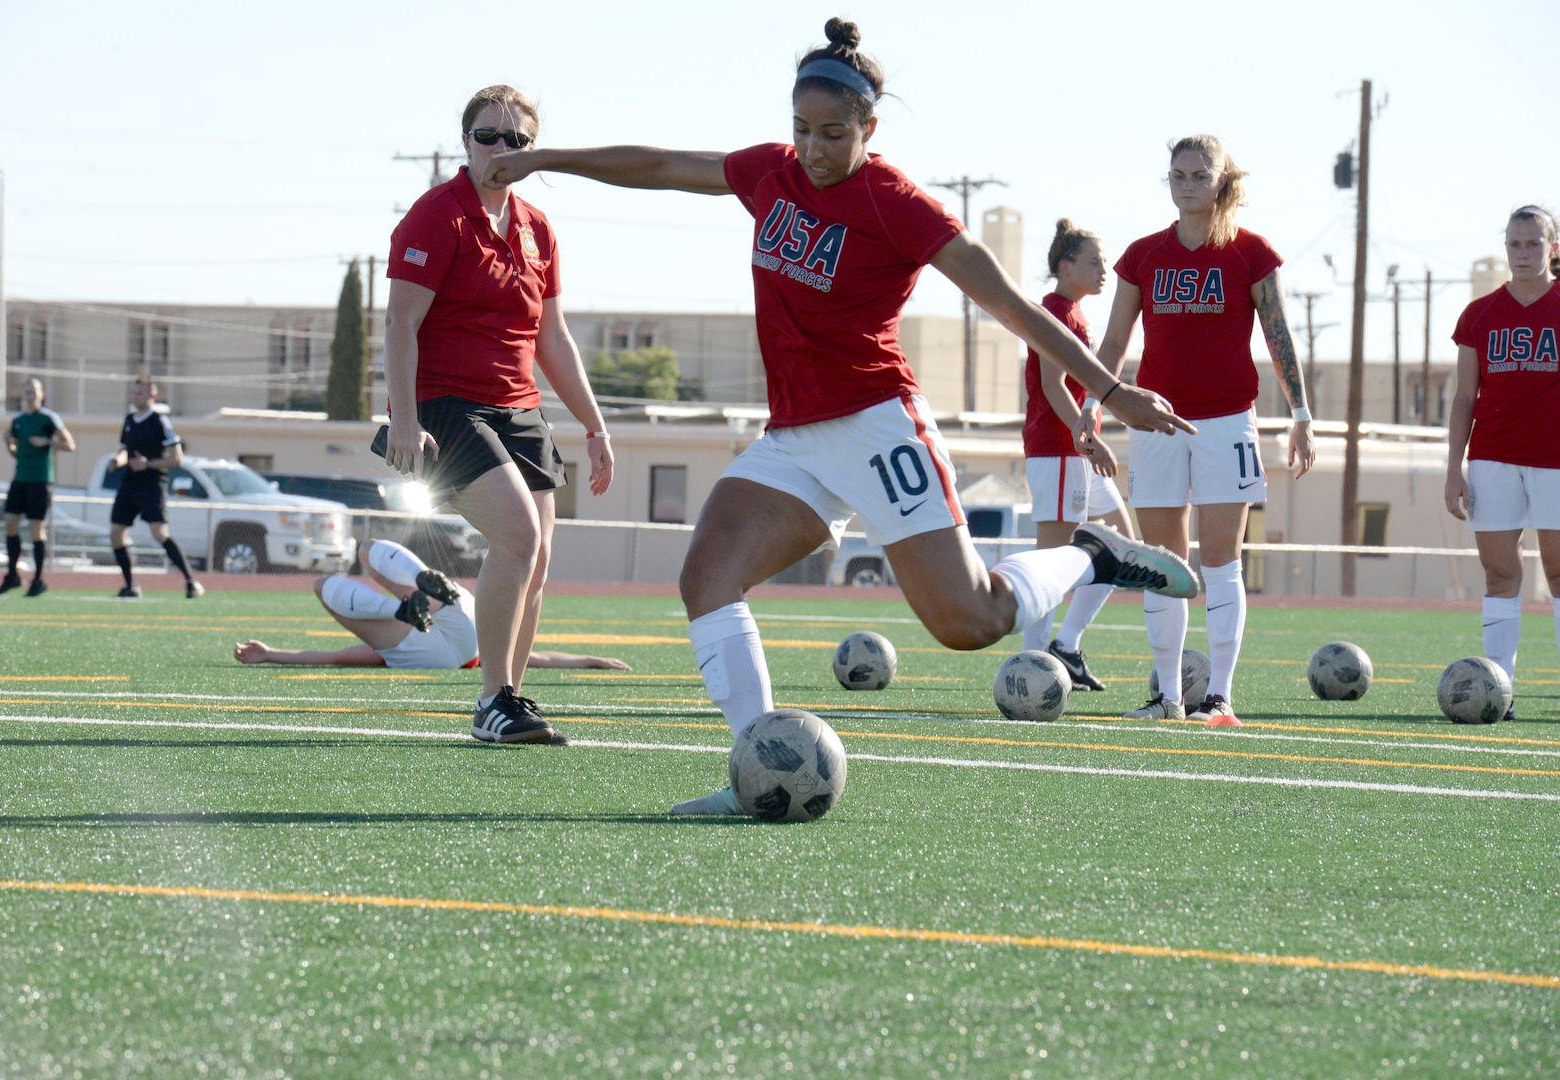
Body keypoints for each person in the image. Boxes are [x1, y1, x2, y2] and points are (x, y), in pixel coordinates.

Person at [482, 17, 1199, 814]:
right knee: (707, 579)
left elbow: (1014, 308)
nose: (814, 149)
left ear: (869, 129)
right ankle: (759, 769)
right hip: (792, 438)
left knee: (971, 621)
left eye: (833, 134)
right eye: (801, 131)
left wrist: (1110, 390)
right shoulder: (770, 172)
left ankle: (1090, 556)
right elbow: (656, 163)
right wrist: (545, 158)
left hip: (878, 425)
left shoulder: (898, 204)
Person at [382, 85, 614, 745]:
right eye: (488, 136)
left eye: (516, 141)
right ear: (466, 142)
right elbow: (401, 321)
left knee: (537, 556)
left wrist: (596, 426)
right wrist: (403, 416)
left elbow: (554, 340)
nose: (501, 150)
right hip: (448, 407)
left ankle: (507, 695)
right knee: (517, 536)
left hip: (521, 408)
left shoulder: (539, 228)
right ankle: (492, 699)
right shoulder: (437, 216)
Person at [1089, 134, 1314, 726]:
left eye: (1198, 173)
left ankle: (1219, 695)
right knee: (1163, 562)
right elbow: (1113, 343)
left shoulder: (1251, 251)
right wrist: (1092, 406)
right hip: (1156, 422)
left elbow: (1280, 336)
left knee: (1220, 562)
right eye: (1177, 174)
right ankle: (1167, 697)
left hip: (1228, 420)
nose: (1187, 183)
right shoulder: (1142, 255)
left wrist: (1300, 416)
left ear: (1221, 179)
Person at [1444, 205, 1560, 722]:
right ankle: (1498, 688)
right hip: (1491, 458)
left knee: (1559, 572)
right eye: (1515, 244)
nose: (1523, 253)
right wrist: (1454, 469)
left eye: (1534, 243)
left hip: (1555, 460)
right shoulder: (1480, 314)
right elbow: (1464, 398)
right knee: (1499, 574)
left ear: (1552, 247)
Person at [1018, 220, 1137, 691]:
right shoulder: (1055, 310)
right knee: (1048, 563)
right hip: (1060, 449)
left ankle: (1064, 648)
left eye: (1104, 262)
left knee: (1123, 550)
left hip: (1076, 450)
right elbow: (1051, 386)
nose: (1104, 270)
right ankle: (1028, 666)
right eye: (1094, 261)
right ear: (1065, 267)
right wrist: (1086, 438)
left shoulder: (1075, 312)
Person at [233, 538, 632, 673]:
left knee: (324, 584)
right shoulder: (480, 651)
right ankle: (423, 583)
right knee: (370, 550)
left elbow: (336, 657)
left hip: (441, 652)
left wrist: (272, 655)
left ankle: (400, 607)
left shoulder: (393, 649)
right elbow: (532, 657)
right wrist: (588, 660)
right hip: (467, 621)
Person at [109, 376, 203, 599]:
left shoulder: (160, 421)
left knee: (159, 533)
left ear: (152, 395)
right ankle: (131, 585)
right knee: (116, 533)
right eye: (134, 393)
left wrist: (148, 464)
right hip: (130, 483)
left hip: (152, 483)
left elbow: (177, 459)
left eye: (140, 393)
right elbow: (124, 449)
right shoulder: (130, 419)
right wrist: (118, 460)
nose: (135, 397)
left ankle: (191, 581)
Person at [0, 377, 75, 597]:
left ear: (42, 394)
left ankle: (38, 579)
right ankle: (12, 575)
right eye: (27, 391)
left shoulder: (49, 418)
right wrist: (8, 443)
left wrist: (47, 442)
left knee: (35, 527)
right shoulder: (18, 420)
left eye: (34, 392)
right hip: (20, 478)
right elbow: (16, 453)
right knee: (10, 522)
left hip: (41, 480)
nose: (30, 395)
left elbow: (70, 445)